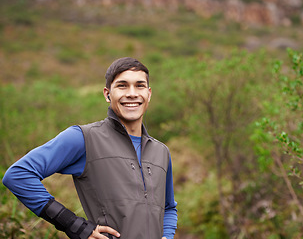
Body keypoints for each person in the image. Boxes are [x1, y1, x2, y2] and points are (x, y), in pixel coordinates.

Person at [2, 57, 178, 239]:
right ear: (107, 93)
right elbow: (18, 175)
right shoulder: (83, 138)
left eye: (139, 85)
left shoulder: (161, 151)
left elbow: (168, 207)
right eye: (122, 85)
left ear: (149, 93)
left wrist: (167, 235)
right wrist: (74, 225)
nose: (132, 93)